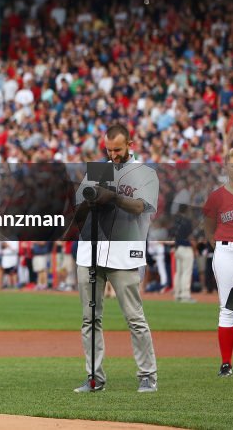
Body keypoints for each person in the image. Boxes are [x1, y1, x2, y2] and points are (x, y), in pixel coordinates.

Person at [71, 123, 158, 393]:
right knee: (90, 318)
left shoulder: (145, 173)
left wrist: (112, 196)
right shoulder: (97, 169)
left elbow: (140, 206)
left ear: (130, 144)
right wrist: (89, 199)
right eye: (108, 150)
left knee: (134, 317)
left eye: (117, 149)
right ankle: (94, 378)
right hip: (90, 251)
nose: (113, 155)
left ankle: (147, 375)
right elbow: (77, 214)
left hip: (125, 253)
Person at [202, 147, 233, 377]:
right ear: (226, 167)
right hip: (226, 252)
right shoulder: (217, 196)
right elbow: (207, 224)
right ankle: (226, 364)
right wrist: (215, 245)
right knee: (228, 308)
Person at [171, 203, 197, 303]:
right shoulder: (187, 221)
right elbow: (190, 237)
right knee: (186, 272)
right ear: (186, 210)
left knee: (179, 272)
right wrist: (195, 248)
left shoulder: (175, 221)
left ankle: (177, 294)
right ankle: (185, 295)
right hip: (186, 248)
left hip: (177, 248)